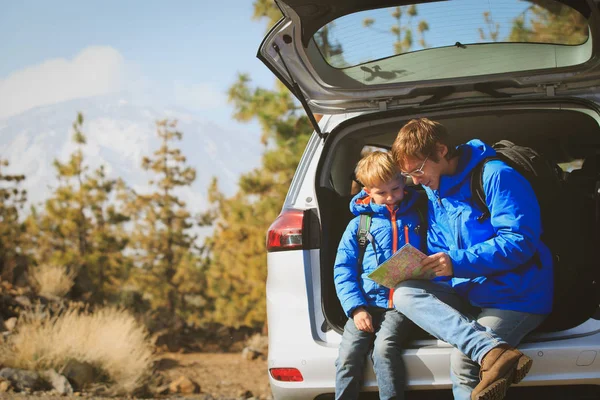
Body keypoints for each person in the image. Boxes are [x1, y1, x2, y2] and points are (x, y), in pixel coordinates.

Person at [390, 118, 553, 400]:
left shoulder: (497, 175)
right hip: (467, 290)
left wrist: (456, 262)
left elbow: (520, 241)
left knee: (463, 361)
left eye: (418, 170)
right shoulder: (434, 189)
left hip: (516, 295)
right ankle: (492, 351)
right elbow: (440, 244)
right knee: (405, 293)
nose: (415, 181)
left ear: (441, 151)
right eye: (409, 175)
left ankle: (486, 352)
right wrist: (427, 268)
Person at [333, 151, 425, 400]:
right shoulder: (360, 225)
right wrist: (356, 308)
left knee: (384, 350)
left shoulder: (419, 215)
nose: (390, 198)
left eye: (395, 189)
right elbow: (343, 269)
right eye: (381, 193)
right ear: (367, 191)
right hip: (365, 304)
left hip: (401, 306)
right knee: (348, 357)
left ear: (402, 181)